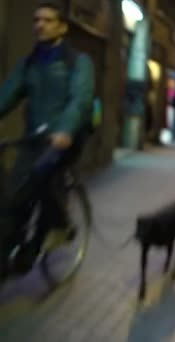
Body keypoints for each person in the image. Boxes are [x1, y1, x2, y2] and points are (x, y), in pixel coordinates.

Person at [0, 1, 95, 274]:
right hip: (33, 140)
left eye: (48, 20)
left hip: (64, 139)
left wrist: (65, 129)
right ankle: (9, 252)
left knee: (44, 175)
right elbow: (6, 96)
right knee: (13, 195)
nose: (40, 25)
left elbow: (80, 100)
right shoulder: (28, 63)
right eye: (36, 20)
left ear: (62, 27)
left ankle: (59, 224)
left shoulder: (78, 62)